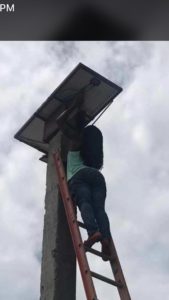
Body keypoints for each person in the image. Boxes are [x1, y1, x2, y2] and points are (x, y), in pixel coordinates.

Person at [57, 102, 113, 260]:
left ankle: (93, 232)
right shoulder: (93, 151)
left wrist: (71, 106)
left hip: (79, 176)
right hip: (97, 177)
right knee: (100, 210)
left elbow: (59, 122)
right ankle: (106, 239)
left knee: (85, 203)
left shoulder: (77, 140)